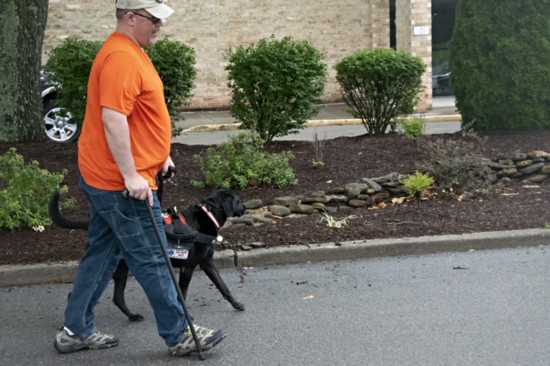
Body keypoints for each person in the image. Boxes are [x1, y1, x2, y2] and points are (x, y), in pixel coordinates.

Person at [53, 0, 225, 357]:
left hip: (107, 175)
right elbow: (113, 118)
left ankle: (75, 331)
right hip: (119, 184)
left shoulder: (131, 50)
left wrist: (159, 153)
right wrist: (132, 175)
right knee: (153, 257)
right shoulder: (121, 58)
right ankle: (179, 335)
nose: (160, 25)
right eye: (154, 18)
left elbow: (137, 115)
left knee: (101, 252)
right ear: (130, 18)